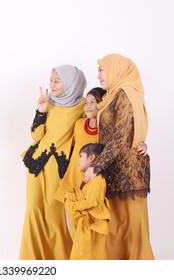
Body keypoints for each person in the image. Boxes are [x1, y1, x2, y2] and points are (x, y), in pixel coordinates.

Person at [84, 53, 154, 259]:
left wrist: (97, 166)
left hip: (129, 173)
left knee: (132, 229)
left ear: (116, 69)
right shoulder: (111, 96)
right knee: (116, 227)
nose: (98, 75)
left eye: (101, 69)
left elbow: (121, 134)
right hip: (113, 168)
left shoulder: (125, 93)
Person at [20, 64, 86, 260]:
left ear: (71, 83)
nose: (52, 85)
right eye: (51, 80)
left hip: (59, 169)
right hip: (37, 165)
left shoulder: (82, 106)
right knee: (33, 209)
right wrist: (40, 111)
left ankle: (59, 261)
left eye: (57, 81)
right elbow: (36, 135)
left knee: (53, 213)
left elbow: (85, 134)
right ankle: (30, 261)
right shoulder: (48, 102)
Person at [62, 143, 111, 260]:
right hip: (87, 223)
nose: (78, 160)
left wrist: (73, 205)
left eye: (81, 156)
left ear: (91, 158)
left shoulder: (98, 180)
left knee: (86, 254)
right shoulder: (89, 180)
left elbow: (91, 201)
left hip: (92, 225)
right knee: (81, 252)